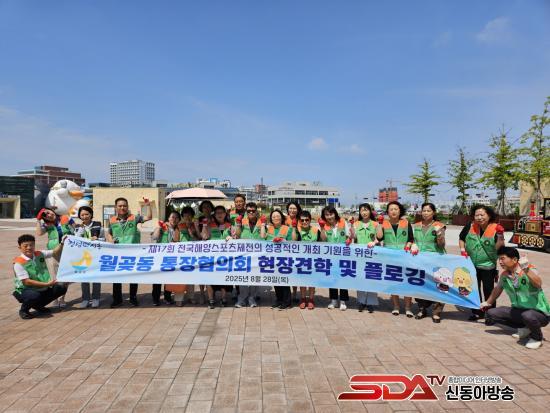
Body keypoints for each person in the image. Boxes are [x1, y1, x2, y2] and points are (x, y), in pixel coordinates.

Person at [481, 247, 550, 349]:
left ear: (514, 260)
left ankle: (536, 338)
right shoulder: (505, 275)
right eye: (499, 259)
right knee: (491, 314)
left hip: (538, 313)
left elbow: (538, 283)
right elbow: (498, 289)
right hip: (519, 310)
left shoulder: (529, 269)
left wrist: (526, 269)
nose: (500, 262)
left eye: (503, 258)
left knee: (528, 316)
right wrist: (488, 302)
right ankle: (526, 328)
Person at [459, 205, 505, 321]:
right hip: (471, 264)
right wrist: (462, 249)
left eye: (482, 215)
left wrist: (500, 236)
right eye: (477, 215)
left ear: (489, 216)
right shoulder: (470, 226)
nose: (479, 217)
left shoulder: (496, 228)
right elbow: (461, 238)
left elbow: (499, 248)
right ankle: (477, 312)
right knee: (473, 289)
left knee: (488, 290)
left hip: (487, 265)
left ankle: (491, 314)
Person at [106, 197, 152, 307]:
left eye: (124, 205)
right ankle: (117, 299)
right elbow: (109, 233)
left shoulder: (134, 218)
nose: (122, 207)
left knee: (133, 276)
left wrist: (148, 205)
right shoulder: (111, 220)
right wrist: (110, 240)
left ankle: (133, 298)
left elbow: (149, 217)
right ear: (116, 207)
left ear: (127, 207)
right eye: (120, 206)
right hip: (118, 252)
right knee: (117, 276)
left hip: (133, 252)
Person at [13, 234, 68, 319]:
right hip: (25, 290)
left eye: (31, 245)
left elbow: (54, 252)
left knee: (61, 286)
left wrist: (62, 243)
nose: (29, 247)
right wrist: (46, 284)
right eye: (25, 246)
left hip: (42, 287)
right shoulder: (18, 263)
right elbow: (27, 282)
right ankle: (24, 310)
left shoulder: (39, 254)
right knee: (33, 296)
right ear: (20, 247)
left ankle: (38, 306)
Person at [377, 201, 417, 317]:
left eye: (396, 209)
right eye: (391, 209)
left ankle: (408, 307)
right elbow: (379, 238)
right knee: (393, 282)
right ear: (387, 212)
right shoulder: (384, 223)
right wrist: (379, 224)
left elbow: (411, 238)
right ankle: (396, 306)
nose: (393, 211)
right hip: (390, 258)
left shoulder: (406, 223)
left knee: (407, 282)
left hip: (405, 257)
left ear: (400, 211)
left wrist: (408, 245)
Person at [412, 203, 446, 323]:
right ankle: (422, 309)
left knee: (438, 285)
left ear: (433, 212)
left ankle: (436, 312)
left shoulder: (439, 225)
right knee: (421, 284)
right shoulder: (416, 225)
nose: (426, 213)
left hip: (436, 259)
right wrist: (413, 245)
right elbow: (413, 240)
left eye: (428, 211)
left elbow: (441, 245)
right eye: (424, 211)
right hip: (420, 260)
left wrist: (439, 234)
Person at [35, 207, 74, 308]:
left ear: (52, 211)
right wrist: (38, 220)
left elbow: (75, 230)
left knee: (65, 276)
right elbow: (39, 233)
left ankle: (62, 298)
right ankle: (55, 298)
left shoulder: (66, 218)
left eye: (48, 212)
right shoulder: (47, 224)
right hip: (54, 252)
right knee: (54, 276)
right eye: (45, 215)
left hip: (67, 251)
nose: (49, 215)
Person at [319, 205, 353, 310]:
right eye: (327, 215)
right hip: (331, 256)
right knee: (332, 278)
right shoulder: (324, 225)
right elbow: (323, 239)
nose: (329, 217)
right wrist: (321, 227)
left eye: (331, 214)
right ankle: (333, 300)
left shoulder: (342, 222)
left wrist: (349, 239)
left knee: (343, 277)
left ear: (335, 214)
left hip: (343, 255)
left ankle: (343, 301)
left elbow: (349, 235)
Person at [261, 209, 295, 309]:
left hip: (284, 258)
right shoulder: (269, 229)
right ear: (271, 219)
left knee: (284, 280)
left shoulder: (287, 228)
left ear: (282, 218)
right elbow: (262, 238)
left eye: (278, 216)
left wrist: (282, 240)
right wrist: (262, 224)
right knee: (275, 280)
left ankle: (287, 302)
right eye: (273, 216)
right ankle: (279, 300)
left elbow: (292, 241)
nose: (276, 218)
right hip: (272, 258)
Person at [204, 205, 233, 309]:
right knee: (209, 278)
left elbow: (235, 236)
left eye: (222, 212)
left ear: (225, 214)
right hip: (211, 256)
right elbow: (204, 237)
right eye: (217, 213)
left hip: (225, 257)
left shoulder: (230, 225)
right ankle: (211, 299)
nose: (220, 214)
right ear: (214, 215)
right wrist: (205, 226)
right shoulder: (209, 224)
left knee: (223, 278)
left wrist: (231, 237)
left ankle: (223, 298)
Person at [74, 206, 103, 308]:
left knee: (96, 277)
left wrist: (97, 239)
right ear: (79, 216)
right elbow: (76, 239)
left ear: (91, 214)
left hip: (95, 255)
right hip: (83, 256)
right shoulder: (78, 227)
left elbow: (103, 238)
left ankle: (96, 298)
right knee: (84, 278)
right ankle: (85, 299)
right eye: (82, 215)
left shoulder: (98, 225)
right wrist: (81, 230)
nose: (84, 216)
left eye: (87, 214)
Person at [234, 202, 262, 308]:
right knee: (243, 277)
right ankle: (242, 299)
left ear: (256, 211)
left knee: (255, 276)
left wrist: (263, 225)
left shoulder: (261, 222)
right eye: (249, 211)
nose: (251, 212)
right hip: (244, 253)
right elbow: (237, 235)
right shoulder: (241, 220)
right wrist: (238, 224)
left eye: (253, 211)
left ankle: (252, 298)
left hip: (257, 253)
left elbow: (263, 237)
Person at [353, 203, 380, 313]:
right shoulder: (356, 224)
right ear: (359, 212)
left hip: (372, 256)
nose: (364, 212)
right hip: (359, 256)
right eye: (362, 210)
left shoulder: (375, 224)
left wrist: (375, 242)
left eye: (366, 210)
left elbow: (379, 238)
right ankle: (361, 301)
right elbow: (353, 238)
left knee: (371, 278)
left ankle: (370, 302)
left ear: (370, 211)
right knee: (360, 278)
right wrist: (351, 231)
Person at [151, 211, 181, 306]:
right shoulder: (163, 227)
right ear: (168, 218)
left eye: (176, 218)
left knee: (169, 278)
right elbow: (154, 237)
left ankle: (167, 297)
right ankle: (155, 298)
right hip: (160, 256)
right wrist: (159, 227)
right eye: (172, 217)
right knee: (158, 278)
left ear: (179, 220)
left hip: (171, 257)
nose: (174, 219)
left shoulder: (179, 229)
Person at [295, 210, 318, 310]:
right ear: (299, 221)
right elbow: (293, 241)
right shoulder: (297, 230)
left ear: (310, 220)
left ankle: (311, 299)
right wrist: (294, 228)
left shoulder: (316, 230)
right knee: (302, 280)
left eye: (306, 220)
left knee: (312, 280)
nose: (304, 222)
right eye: (302, 220)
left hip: (313, 259)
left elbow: (323, 242)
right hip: (301, 259)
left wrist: (322, 228)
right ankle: (303, 298)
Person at [178, 206, 199, 305]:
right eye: (185, 215)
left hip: (193, 253)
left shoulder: (195, 225)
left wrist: (191, 228)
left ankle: (191, 296)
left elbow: (197, 237)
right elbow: (176, 239)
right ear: (182, 216)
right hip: (181, 254)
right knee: (180, 277)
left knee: (191, 276)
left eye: (189, 215)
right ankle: (179, 298)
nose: (187, 217)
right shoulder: (179, 225)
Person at [285, 202, 302, 303]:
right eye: (290, 208)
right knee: (286, 271)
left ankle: (294, 294)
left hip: (297, 249)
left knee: (295, 272)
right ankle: (286, 294)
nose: (292, 210)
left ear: (298, 210)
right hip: (285, 250)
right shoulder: (284, 219)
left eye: (294, 208)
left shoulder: (301, 220)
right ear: (287, 209)